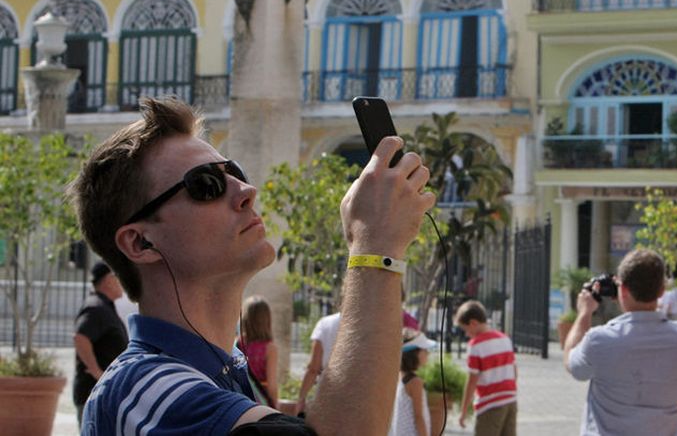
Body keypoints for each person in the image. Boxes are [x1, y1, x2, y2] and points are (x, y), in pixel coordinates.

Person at [69, 96, 435, 435]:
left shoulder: (227, 369)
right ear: (140, 242)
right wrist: (375, 246)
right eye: (206, 184)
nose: (246, 191)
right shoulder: (144, 389)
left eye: (234, 172)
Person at [564, 249, 677, 436]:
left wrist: (584, 313)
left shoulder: (600, 340)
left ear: (623, 289)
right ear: (662, 290)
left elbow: (572, 363)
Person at [72, 262, 129, 426]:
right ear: (109, 280)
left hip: (103, 394)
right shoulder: (95, 307)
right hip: (93, 394)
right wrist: (97, 372)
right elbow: (80, 337)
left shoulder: (104, 306)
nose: (121, 282)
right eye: (118, 277)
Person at [456, 299, 517, 436]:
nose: (466, 334)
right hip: (510, 401)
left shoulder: (475, 346)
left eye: (465, 330)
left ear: (473, 323)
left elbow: (472, 380)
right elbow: (514, 370)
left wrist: (464, 410)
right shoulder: (505, 339)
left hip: (490, 404)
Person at [389, 328, 436, 436]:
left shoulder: (401, 377)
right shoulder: (415, 382)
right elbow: (418, 417)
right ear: (415, 354)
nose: (428, 354)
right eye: (425, 350)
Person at [296, 310, 341, 415]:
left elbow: (313, 369)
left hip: (329, 394)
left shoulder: (326, 324)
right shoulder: (371, 325)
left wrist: (301, 398)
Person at [238, 296, 279, 407]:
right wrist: (276, 404)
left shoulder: (237, 344)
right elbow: (272, 386)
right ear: (267, 320)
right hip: (261, 403)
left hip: (241, 400)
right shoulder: (270, 348)